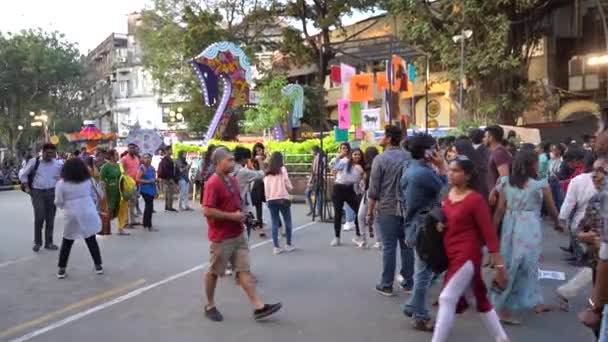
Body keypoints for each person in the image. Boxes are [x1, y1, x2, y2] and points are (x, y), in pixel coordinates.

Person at [432, 156, 510, 342]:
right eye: (450, 169)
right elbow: (446, 218)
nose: (451, 173)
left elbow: (489, 233)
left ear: (467, 176)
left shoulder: (475, 200)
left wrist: (500, 267)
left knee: (446, 298)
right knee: (479, 300)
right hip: (451, 252)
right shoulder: (448, 194)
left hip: (467, 255)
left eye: (456, 170)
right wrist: (440, 226)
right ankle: (501, 338)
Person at [202, 147, 282, 322]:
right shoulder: (213, 183)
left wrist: (243, 216)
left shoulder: (233, 180)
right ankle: (209, 305)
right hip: (222, 237)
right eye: (228, 160)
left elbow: (238, 204)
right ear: (218, 162)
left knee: (244, 271)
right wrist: (231, 216)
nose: (232, 163)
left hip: (238, 233)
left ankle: (259, 307)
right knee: (214, 271)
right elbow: (207, 210)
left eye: (232, 160)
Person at [491, 149, 563, 324]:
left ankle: (534, 300)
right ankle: (501, 308)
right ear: (532, 164)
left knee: (522, 264)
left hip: (511, 226)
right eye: (537, 161)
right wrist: (558, 223)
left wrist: (492, 232)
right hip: (528, 228)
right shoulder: (539, 184)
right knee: (519, 265)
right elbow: (552, 208)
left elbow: (500, 210)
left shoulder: (507, 183)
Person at [400, 133, 448, 331]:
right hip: (424, 227)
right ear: (426, 151)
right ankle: (417, 312)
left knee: (427, 271)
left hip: (417, 225)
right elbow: (448, 191)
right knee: (424, 273)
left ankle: (415, 308)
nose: (437, 151)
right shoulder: (422, 173)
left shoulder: (412, 168)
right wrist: (443, 167)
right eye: (434, 148)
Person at [367, 125, 414, 296]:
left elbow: (374, 189)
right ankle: (409, 282)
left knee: (389, 247)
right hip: (408, 207)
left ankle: (387, 284)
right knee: (407, 246)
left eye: (383, 135)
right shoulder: (409, 157)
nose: (381, 138)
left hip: (387, 207)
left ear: (388, 139)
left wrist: (369, 211)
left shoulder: (380, 159)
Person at [557, 158, 604, 308]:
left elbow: (569, 203)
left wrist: (563, 220)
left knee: (595, 266)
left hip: (584, 229)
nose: (596, 177)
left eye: (601, 172)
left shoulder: (581, 182)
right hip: (592, 232)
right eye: (595, 172)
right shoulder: (596, 196)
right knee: (596, 265)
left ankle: (572, 293)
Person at [54, 158, 104, 279]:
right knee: (91, 239)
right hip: (88, 211)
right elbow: (96, 196)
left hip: (71, 213)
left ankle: (61, 269)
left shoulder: (61, 183)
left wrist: (65, 206)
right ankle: (98, 266)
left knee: (67, 241)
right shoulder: (89, 180)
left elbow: (59, 201)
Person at [19, 143, 62, 251]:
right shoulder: (35, 161)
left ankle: (49, 243)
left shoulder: (57, 164)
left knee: (50, 219)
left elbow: (60, 178)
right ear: (43, 152)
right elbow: (23, 174)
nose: (50, 155)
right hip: (37, 192)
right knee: (39, 217)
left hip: (52, 193)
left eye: (52, 153)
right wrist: (28, 188)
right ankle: (38, 242)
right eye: (48, 153)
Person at [330, 143, 363, 246]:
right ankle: (337, 237)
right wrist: (338, 157)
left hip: (349, 189)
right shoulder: (345, 162)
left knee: (359, 211)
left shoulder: (361, 166)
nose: (356, 156)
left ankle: (358, 235)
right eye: (355, 154)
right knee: (338, 213)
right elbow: (332, 167)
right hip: (339, 188)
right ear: (351, 155)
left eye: (359, 155)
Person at [264, 152, 295, 254]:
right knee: (288, 222)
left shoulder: (267, 172)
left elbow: (266, 188)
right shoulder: (282, 169)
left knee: (274, 223)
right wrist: (291, 188)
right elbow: (286, 182)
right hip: (283, 198)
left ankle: (276, 247)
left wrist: (267, 198)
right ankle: (288, 244)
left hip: (271, 199)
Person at [232, 147, 265, 238]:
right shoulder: (243, 172)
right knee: (243, 241)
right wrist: (260, 161)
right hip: (242, 208)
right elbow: (262, 174)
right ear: (243, 158)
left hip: (229, 208)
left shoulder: (228, 169)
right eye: (247, 158)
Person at [99, 149, 129, 235]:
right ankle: (106, 229)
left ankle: (121, 228)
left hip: (119, 189)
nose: (118, 156)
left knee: (120, 209)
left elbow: (123, 176)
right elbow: (101, 179)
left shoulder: (119, 166)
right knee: (110, 210)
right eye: (116, 154)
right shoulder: (106, 166)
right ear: (111, 156)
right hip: (110, 191)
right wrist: (104, 190)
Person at [356, 146, 381, 249]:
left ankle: (367, 239)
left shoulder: (370, 167)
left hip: (371, 193)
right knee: (370, 217)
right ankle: (374, 240)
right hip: (371, 193)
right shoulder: (372, 166)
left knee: (363, 216)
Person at [485, 125, 512, 207]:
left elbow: (504, 176)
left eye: (485, 136)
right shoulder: (497, 151)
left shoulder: (498, 153)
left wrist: (493, 192)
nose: (483, 139)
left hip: (499, 197)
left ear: (491, 138)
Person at [121, 143, 141, 227]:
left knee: (133, 202)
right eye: (130, 148)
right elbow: (121, 171)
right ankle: (125, 222)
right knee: (127, 204)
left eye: (133, 148)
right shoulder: (124, 159)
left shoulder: (137, 158)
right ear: (128, 149)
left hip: (135, 184)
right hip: (127, 184)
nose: (132, 149)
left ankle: (132, 220)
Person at [136, 153, 158, 231]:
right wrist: (148, 181)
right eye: (145, 158)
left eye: (148, 158)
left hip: (151, 189)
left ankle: (146, 224)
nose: (147, 159)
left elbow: (154, 179)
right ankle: (149, 225)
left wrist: (155, 183)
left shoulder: (151, 168)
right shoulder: (142, 168)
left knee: (149, 207)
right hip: (145, 190)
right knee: (149, 207)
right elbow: (137, 179)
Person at [251, 143, 267, 229]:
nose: (258, 152)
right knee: (258, 204)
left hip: (267, 184)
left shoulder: (267, 158)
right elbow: (258, 173)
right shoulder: (254, 160)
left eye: (260, 150)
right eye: (256, 151)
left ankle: (278, 222)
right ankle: (260, 223)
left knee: (270, 203)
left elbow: (265, 171)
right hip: (258, 183)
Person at [305, 146, 323, 217]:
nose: (311, 153)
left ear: (314, 151)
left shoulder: (317, 158)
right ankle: (317, 210)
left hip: (316, 178)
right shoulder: (319, 157)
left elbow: (314, 171)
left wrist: (310, 180)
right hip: (318, 178)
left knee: (310, 193)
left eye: (311, 151)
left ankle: (315, 210)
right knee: (317, 194)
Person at [158, 146, 178, 212]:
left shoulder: (168, 159)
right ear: (166, 151)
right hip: (168, 178)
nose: (171, 151)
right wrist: (171, 179)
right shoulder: (166, 159)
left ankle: (167, 206)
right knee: (170, 192)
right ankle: (169, 206)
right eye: (170, 150)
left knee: (168, 192)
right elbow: (167, 170)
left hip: (167, 178)